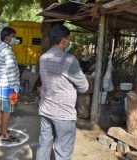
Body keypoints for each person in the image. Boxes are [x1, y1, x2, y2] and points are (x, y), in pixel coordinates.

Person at [36, 24, 88, 160]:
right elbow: (84, 87)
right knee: (63, 152)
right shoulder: (70, 60)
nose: (69, 42)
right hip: (64, 114)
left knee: (44, 145)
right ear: (63, 40)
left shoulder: (43, 57)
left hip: (45, 110)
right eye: (69, 39)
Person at [0, 27, 20, 142]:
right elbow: (10, 71)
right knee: (8, 111)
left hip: (0, 84)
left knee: (0, 108)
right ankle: (5, 134)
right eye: (13, 36)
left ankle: (0, 130)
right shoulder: (7, 51)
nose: (14, 39)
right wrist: (15, 87)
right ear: (7, 37)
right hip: (9, 86)